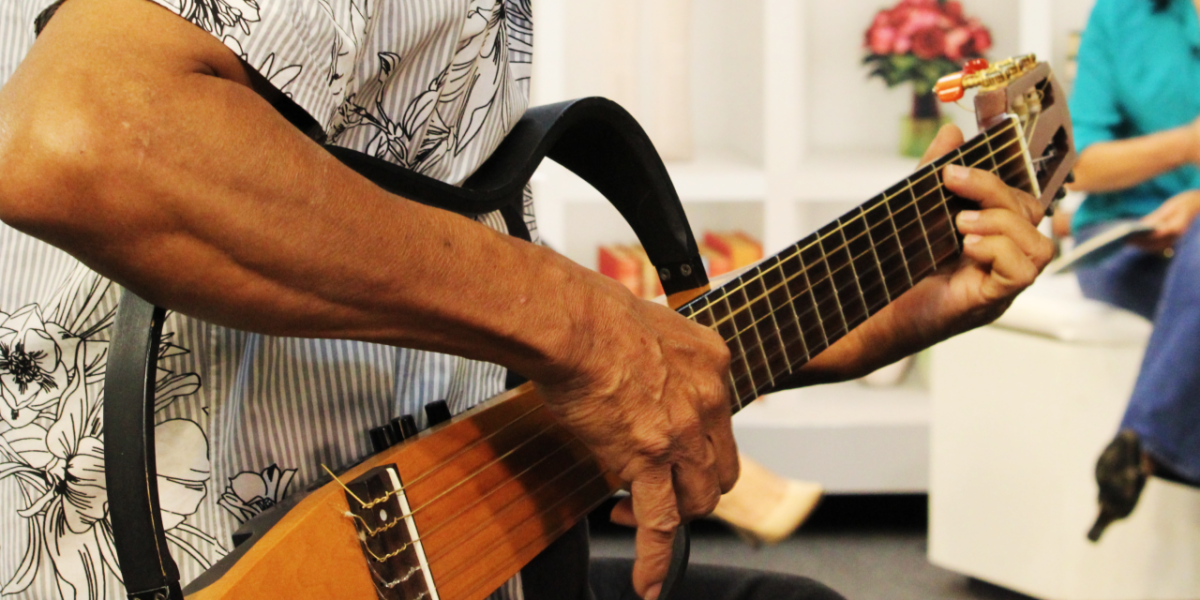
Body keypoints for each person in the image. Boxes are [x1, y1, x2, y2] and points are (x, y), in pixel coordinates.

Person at [0, 0, 1052, 598]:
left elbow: (453, 316)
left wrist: (843, 324)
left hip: (429, 529)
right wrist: (590, 328)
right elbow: (83, 136)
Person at [1067, 0, 1200, 541]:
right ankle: (1150, 447)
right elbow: (1077, 163)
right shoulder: (1120, 15)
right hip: (1126, 239)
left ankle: (1141, 444)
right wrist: (1189, 144)